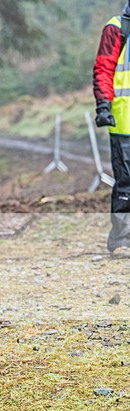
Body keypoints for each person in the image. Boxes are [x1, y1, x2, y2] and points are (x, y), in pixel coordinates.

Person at [94, 0, 130, 252]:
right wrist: (103, 105)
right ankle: (121, 239)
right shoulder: (117, 27)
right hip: (124, 122)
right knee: (127, 182)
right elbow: (104, 67)